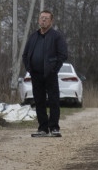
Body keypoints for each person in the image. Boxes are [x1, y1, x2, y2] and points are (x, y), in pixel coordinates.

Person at [21, 9, 69, 138]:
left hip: (50, 74)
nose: (43, 20)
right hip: (36, 74)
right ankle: (42, 128)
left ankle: (54, 128)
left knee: (53, 101)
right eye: (41, 17)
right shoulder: (33, 36)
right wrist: (29, 69)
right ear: (38, 20)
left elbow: (63, 54)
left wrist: (54, 69)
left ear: (51, 21)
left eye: (46, 18)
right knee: (39, 101)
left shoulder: (56, 36)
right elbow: (25, 55)